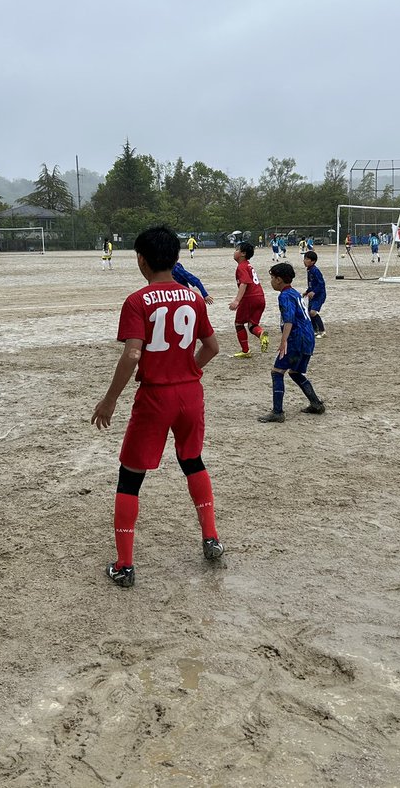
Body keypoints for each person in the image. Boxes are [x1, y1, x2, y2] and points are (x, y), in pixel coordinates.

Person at [91, 226, 222, 589]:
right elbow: (212, 347)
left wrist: (110, 399)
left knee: (130, 477)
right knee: (192, 461)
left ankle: (124, 565)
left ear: (142, 260)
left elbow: (133, 353)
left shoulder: (137, 300)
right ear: (176, 258)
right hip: (190, 395)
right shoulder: (194, 298)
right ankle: (211, 538)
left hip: (155, 397)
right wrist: (188, 369)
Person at [258, 262, 325, 422]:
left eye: (272, 278)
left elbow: (288, 320)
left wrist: (283, 341)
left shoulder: (285, 296)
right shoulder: (295, 293)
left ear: (279, 280)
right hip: (308, 339)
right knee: (295, 372)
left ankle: (278, 412)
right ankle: (316, 404)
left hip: (296, 339)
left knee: (277, 372)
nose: (271, 281)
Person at [228, 241, 268, 358]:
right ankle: (261, 333)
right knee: (252, 325)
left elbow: (244, 283)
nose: (234, 252)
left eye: (236, 250)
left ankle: (245, 351)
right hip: (260, 297)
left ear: (243, 253)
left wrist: (237, 300)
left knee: (239, 324)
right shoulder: (249, 265)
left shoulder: (241, 267)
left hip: (249, 298)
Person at [302, 250, 327, 337]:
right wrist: (307, 291)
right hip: (312, 295)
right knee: (309, 312)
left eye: (307, 259)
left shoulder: (315, 270)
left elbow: (321, 283)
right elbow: (311, 284)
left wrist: (314, 291)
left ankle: (322, 331)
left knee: (312, 312)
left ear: (313, 261)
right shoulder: (309, 270)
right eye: (304, 258)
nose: (304, 260)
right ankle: (314, 330)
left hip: (319, 295)